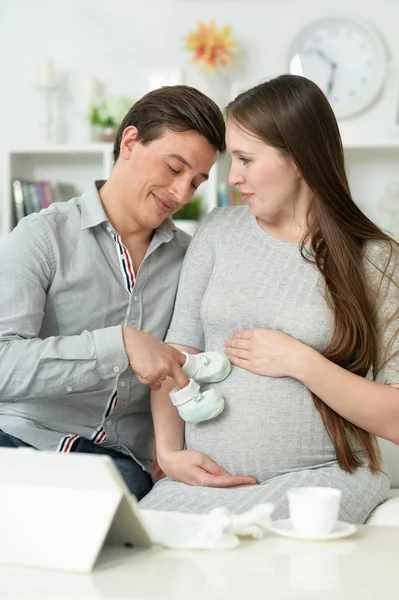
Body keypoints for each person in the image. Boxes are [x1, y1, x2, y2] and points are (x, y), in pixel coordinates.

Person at [140, 75, 399, 523]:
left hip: (318, 481)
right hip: (204, 482)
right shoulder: (218, 230)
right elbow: (177, 353)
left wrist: (300, 360)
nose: (232, 176)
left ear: (298, 158)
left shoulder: (375, 259)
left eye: (245, 159)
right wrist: (169, 451)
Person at [0, 85, 250, 500]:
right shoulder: (42, 237)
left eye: (196, 182)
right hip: (19, 441)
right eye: (174, 168)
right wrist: (119, 345)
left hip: (118, 464)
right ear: (131, 142)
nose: (181, 193)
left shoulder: (192, 260)